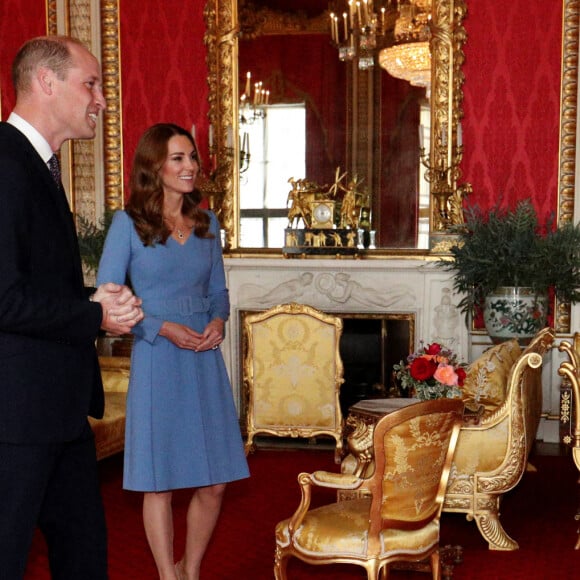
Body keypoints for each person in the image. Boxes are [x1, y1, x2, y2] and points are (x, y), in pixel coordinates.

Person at [0, 35, 144, 578]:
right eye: (91, 84)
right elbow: (4, 299)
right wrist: (95, 316)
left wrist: (92, 298)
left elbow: (34, 284)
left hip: (57, 410)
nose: (102, 99)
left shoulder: (40, 165)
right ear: (45, 82)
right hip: (16, 416)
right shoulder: (6, 162)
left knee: (84, 554)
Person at [96, 123, 249, 580]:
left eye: (192, 157)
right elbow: (109, 295)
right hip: (157, 356)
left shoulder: (208, 223)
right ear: (154, 166)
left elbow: (218, 293)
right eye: (177, 158)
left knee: (215, 481)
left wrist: (218, 322)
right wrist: (161, 328)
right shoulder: (127, 223)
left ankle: (191, 569)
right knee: (158, 481)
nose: (189, 167)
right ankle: (167, 574)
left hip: (204, 357)